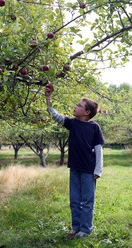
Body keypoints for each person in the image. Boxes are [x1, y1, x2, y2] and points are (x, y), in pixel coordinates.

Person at [45, 84, 104, 239]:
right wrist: (48, 98)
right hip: (75, 169)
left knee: (87, 201)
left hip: (89, 171)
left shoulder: (94, 128)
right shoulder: (73, 123)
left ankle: (86, 229)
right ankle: (76, 227)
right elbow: (55, 115)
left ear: (86, 112)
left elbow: (98, 150)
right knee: (75, 200)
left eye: (79, 105)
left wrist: (98, 170)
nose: (75, 106)